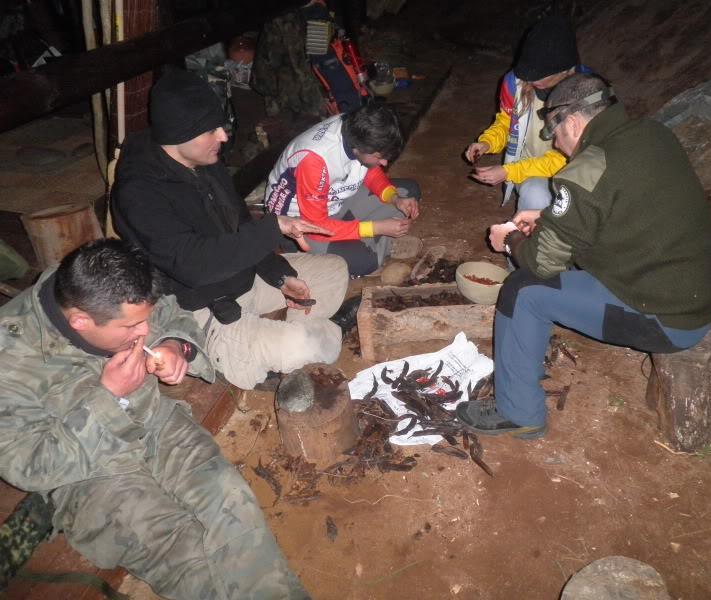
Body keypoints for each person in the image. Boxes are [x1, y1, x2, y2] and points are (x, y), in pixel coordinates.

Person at [0, 239, 308, 599]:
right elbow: (29, 466)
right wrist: (108, 398)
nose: (144, 333)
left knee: (232, 501)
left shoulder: (110, 289)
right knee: (183, 554)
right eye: (132, 327)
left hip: (156, 424)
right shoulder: (10, 359)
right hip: (90, 473)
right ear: (80, 321)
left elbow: (171, 315)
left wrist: (176, 346)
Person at [457, 74, 711, 439]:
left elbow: (541, 262)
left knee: (522, 290)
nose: (555, 143)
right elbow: (617, 204)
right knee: (555, 269)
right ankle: (526, 361)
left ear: (572, 122)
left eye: (555, 133)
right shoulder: (651, 134)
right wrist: (548, 217)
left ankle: (518, 413)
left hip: (665, 316)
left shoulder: (587, 167)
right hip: (698, 290)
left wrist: (509, 240)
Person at [112, 69, 351, 390]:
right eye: (211, 130)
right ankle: (260, 353)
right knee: (306, 345)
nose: (223, 137)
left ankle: (282, 344)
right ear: (179, 134)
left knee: (336, 270)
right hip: (202, 306)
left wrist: (280, 277)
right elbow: (193, 266)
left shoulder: (204, 163)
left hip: (241, 278)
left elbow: (240, 225)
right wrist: (272, 228)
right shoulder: (139, 192)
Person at [264, 103, 421, 277]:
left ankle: (374, 241)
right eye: (380, 157)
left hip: (335, 201)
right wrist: (376, 228)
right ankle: (374, 245)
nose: (384, 163)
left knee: (409, 191)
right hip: (300, 224)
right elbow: (316, 227)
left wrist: (394, 198)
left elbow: (370, 171)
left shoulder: (357, 127)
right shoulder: (314, 160)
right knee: (365, 261)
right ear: (358, 147)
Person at [465, 14, 590, 211]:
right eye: (527, 71)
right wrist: (487, 143)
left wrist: (509, 171)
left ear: (564, 71)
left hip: (575, 172)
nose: (528, 79)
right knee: (536, 194)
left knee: (574, 206)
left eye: (537, 74)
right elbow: (507, 123)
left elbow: (567, 159)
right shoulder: (515, 82)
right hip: (529, 170)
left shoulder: (588, 94)